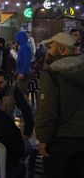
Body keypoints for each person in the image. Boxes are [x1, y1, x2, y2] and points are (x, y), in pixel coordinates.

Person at [35, 32, 84, 178]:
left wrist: (42, 139)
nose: (48, 52)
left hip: (60, 140)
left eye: (50, 47)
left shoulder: (52, 72)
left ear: (62, 49)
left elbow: (47, 110)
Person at [0, 70, 34, 138]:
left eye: (1, 82)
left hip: (8, 127)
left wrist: (27, 132)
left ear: (6, 81)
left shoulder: (13, 90)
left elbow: (26, 110)